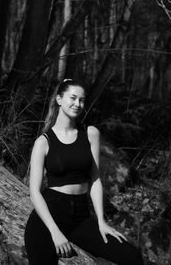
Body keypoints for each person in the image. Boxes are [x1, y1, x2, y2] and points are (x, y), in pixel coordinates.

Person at [24, 79, 144, 265]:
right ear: (59, 99)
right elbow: (34, 192)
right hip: (49, 216)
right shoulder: (43, 142)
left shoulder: (90, 133)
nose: (78, 104)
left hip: (81, 216)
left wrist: (101, 222)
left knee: (132, 257)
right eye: (73, 98)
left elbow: (95, 180)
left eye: (82, 100)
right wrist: (55, 232)